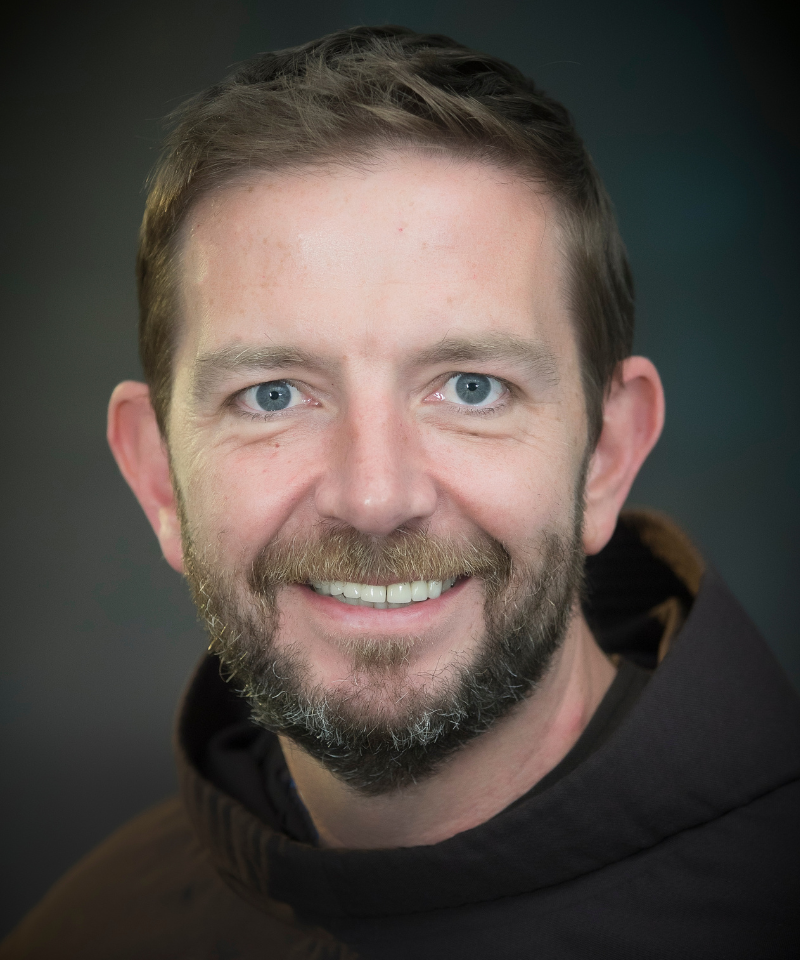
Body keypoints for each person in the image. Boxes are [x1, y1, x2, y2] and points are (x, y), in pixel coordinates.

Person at [3, 25, 798, 960]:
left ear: (607, 455)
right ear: (158, 477)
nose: (375, 496)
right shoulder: (85, 934)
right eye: (273, 395)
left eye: (471, 388)